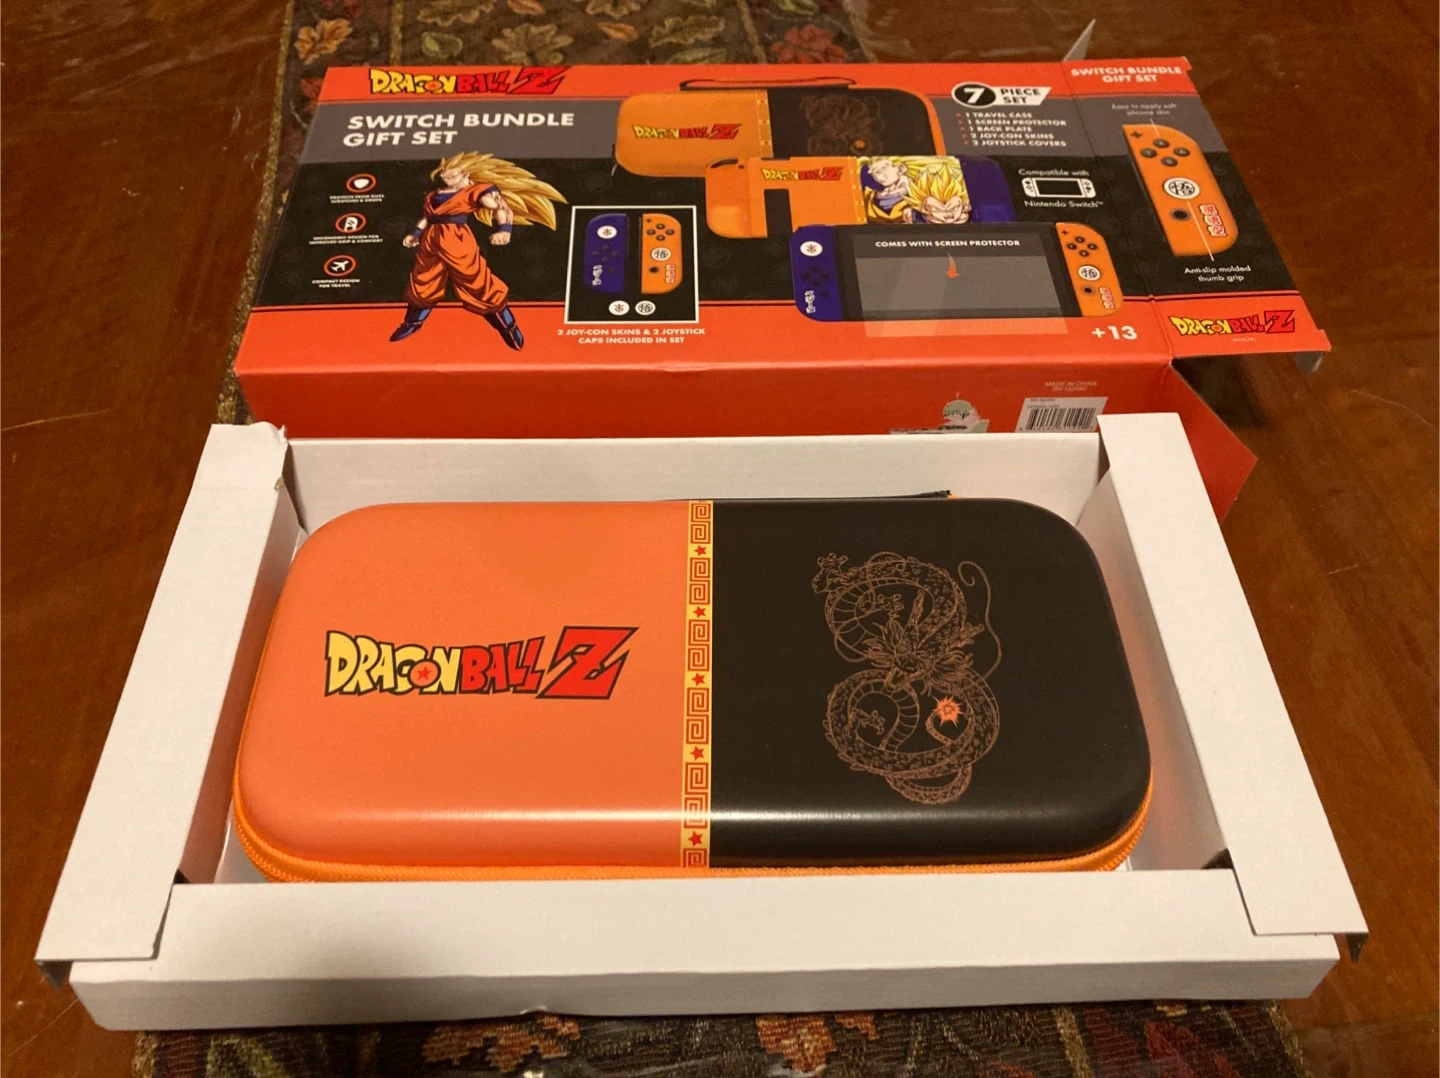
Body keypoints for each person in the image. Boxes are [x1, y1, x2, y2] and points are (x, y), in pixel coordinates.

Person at [390, 152, 566, 349]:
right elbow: (426, 218)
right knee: (423, 280)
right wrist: (415, 234)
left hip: (457, 240)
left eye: (452, 173)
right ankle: (412, 323)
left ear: (465, 173)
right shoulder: (434, 194)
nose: (446, 177)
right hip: (430, 241)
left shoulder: (477, 191)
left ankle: (508, 327)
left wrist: (504, 230)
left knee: (477, 282)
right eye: (444, 174)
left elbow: (500, 208)